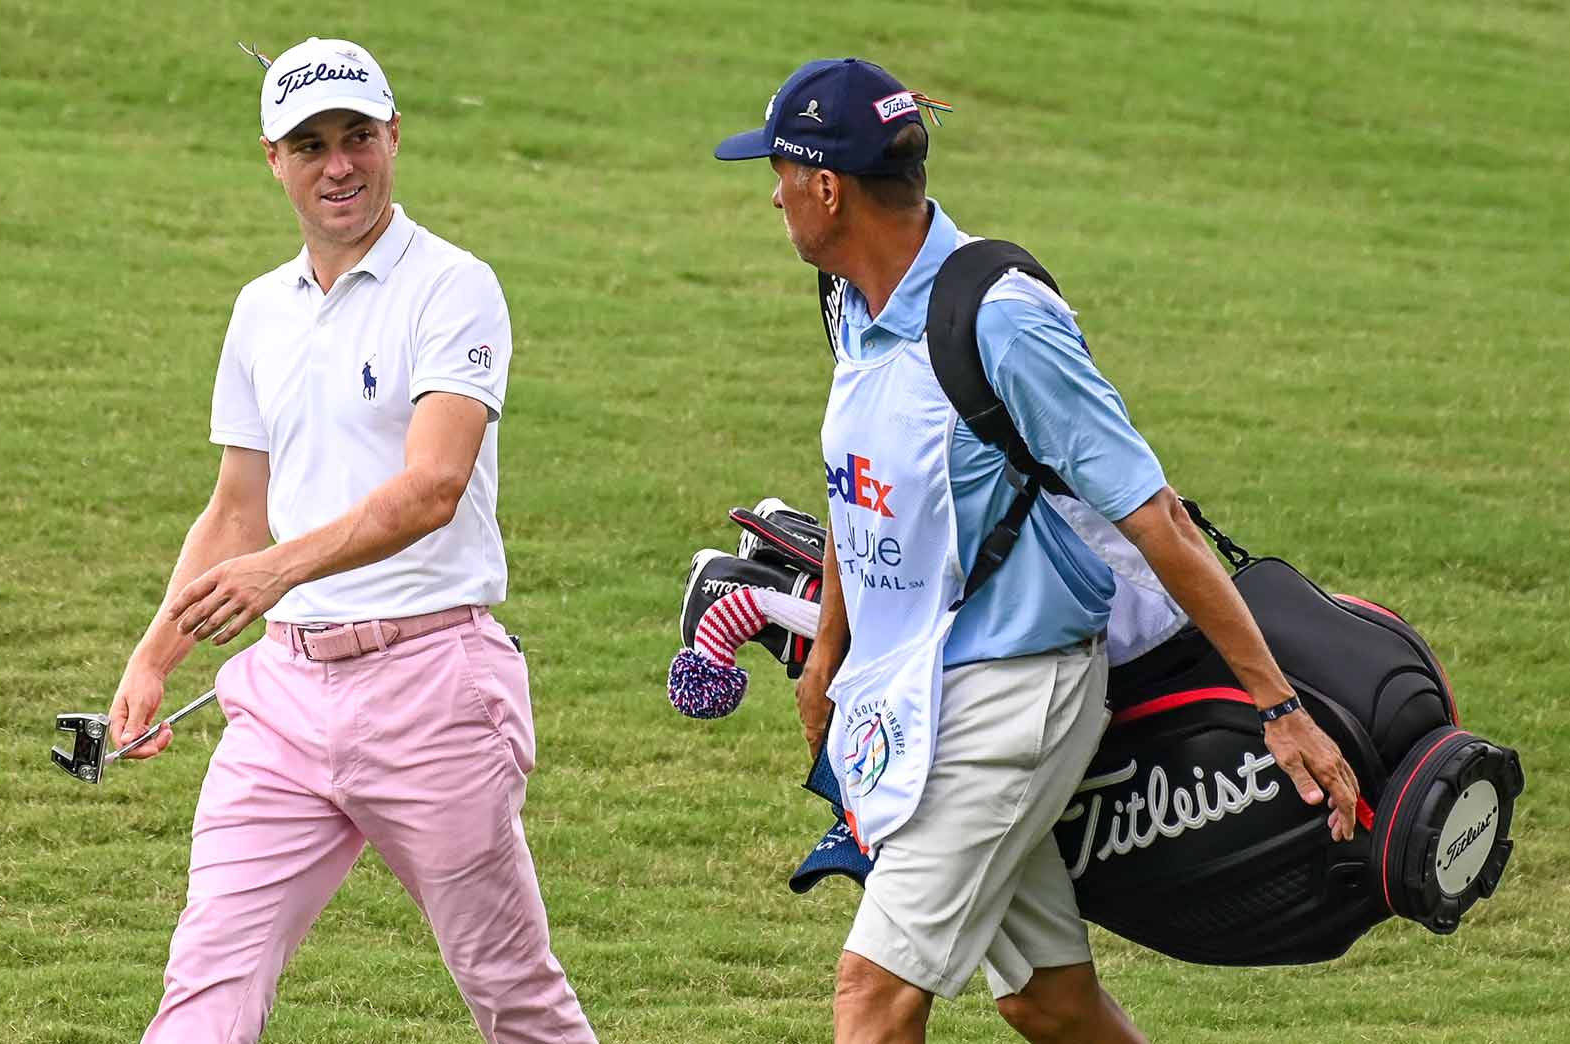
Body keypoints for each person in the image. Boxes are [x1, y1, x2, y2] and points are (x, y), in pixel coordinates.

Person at [713, 58, 1360, 1044]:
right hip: (915, 696)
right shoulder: (851, 303)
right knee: (1045, 1004)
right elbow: (856, 488)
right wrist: (829, 659)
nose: (772, 193)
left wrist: (1278, 709)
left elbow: (1158, 522)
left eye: (781, 173)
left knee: (870, 996)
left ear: (828, 189)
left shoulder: (1004, 323)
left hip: (1007, 700)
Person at [104, 36, 597, 1044]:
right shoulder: (258, 312)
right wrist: (157, 655)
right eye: (311, 143)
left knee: (512, 995)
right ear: (272, 159)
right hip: (281, 701)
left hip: (434, 690)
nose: (339, 164)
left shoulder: (453, 287)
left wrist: (276, 570)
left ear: (394, 137)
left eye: (358, 137)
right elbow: (237, 508)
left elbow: (432, 487)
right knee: (205, 986)